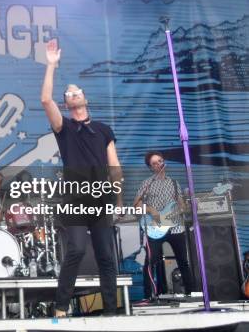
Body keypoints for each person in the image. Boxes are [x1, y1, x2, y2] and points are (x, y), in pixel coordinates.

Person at [40, 38, 124, 317]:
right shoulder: (64, 128)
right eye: (69, 93)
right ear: (66, 103)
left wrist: (119, 198)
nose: (73, 93)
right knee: (75, 249)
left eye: (77, 91)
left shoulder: (103, 129)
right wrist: (51, 66)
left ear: (85, 98)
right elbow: (44, 99)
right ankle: (61, 306)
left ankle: (110, 311)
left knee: (106, 257)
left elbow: (114, 165)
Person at [133, 151, 193, 299]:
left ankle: (192, 294)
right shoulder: (147, 183)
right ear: (150, 167)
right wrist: (150, 209)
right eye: (154, 163)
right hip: (154, 227)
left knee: (183, 261)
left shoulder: (174, 183)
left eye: (160, 161)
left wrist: (186, 206)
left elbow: (181, 206)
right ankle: (149, 295)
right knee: (151, 262)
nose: (159, 164)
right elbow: (136, 203)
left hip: (175, 227)